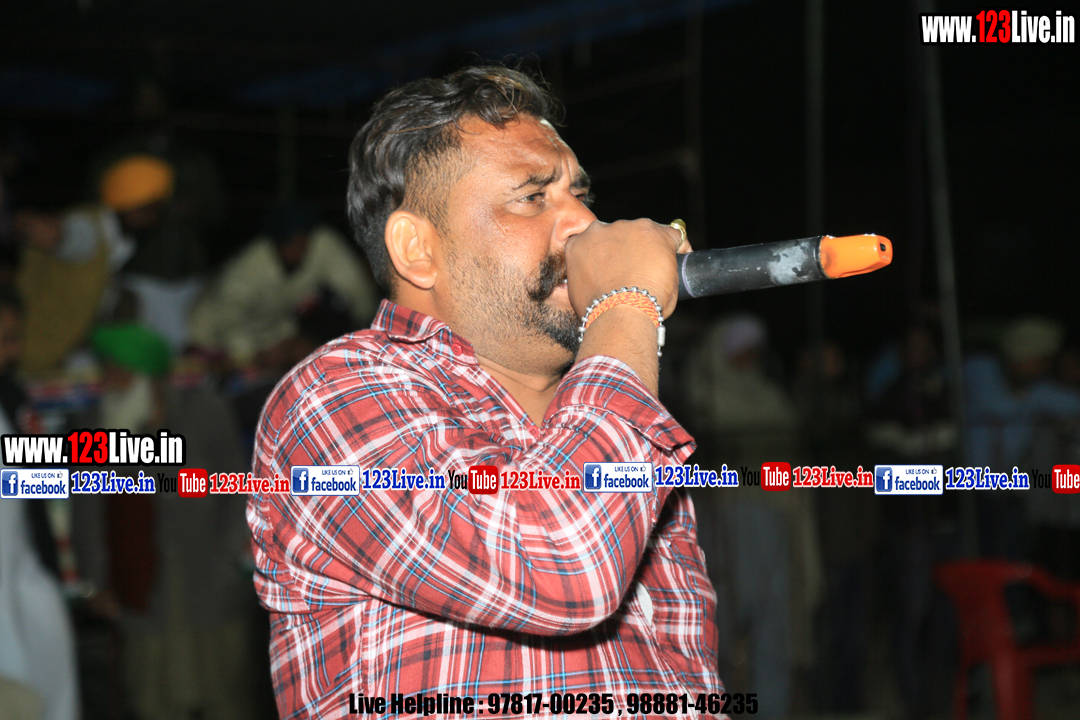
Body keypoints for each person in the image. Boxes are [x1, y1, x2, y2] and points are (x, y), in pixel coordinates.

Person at [247, 65, 722, 718]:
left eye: (580, 193)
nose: (585, 223)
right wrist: (626, 303)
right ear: (418, 249)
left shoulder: (624, 424)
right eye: (533, 197)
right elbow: (564, 566)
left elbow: (688, 676)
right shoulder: (333, 397)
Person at [189, 202, 377, 370]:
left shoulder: (321, 245)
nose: (300, 245)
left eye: (304, 237)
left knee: (315, 352)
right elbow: (228, 318)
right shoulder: (247, 271)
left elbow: (355, 286)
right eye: (292, 240)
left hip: (276, 331)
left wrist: (367, 331)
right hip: (213, 338)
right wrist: (251, 355)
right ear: (277, 241)